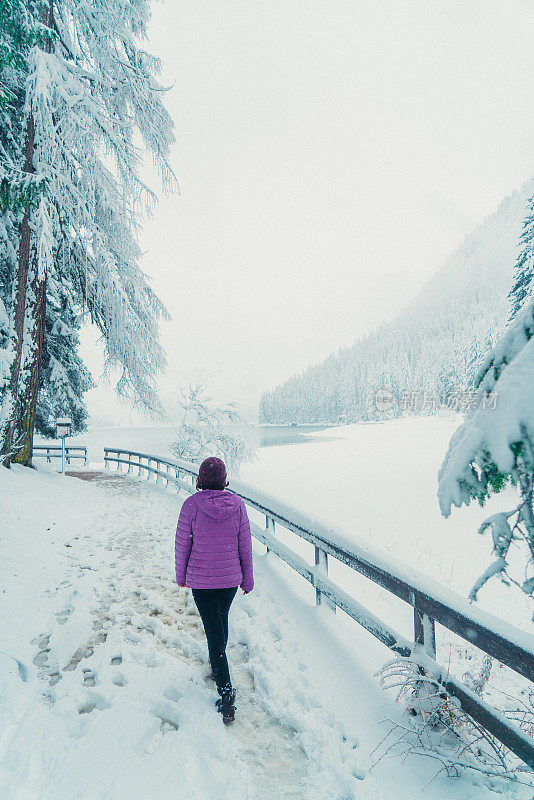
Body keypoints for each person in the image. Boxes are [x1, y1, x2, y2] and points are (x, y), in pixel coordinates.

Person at [175, 456, 254, 722]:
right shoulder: (238, 505)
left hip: (202, 581)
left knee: (214, 633)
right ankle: (218, 665)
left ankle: (226, 692)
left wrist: (181, 576)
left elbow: (182, 544)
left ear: (200, 479)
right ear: (223, 480)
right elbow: (245, 545)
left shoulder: (190, 506)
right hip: (230, 580)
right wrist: (247, 578)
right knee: (219, 624)